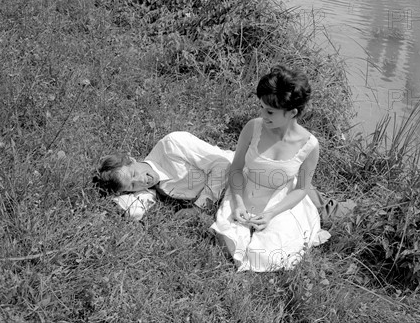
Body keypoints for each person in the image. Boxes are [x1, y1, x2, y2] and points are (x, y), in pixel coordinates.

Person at [210, 65, 331, 272]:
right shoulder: (253, 127)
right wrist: (238, 203)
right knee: (230, 237)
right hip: (244, 190)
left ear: (292, 112)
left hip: (280, 201)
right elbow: (237, 167)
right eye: (261, 107)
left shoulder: (310, 145)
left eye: (270, 111)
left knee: (270, 256)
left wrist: (271, 214)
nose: (262, 115)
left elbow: (301, 189)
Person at [94, 132, 235, 220]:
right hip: (231, 199)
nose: (142, 180)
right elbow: (134, 210)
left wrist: (198, 208)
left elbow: (223, 164)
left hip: (242, 171)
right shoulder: (152, 188)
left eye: (134, 173)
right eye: (132, 185)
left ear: (132, 160)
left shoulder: (172, 145)